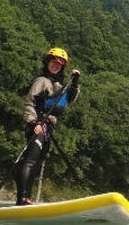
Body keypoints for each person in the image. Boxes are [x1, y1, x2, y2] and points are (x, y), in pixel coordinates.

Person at [14, 47, 81, 206]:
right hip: (36, 125)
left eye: (59, 64)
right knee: (30, 161)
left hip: (48, 129)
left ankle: (27, 198)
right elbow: (30, 102)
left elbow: (70, 98)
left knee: (36, 164)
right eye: (53, 62)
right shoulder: (41, 81)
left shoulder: (58, 85)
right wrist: (33, 123)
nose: (56, 65)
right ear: (47, 62)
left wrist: (75, 81)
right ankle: (21, 199)